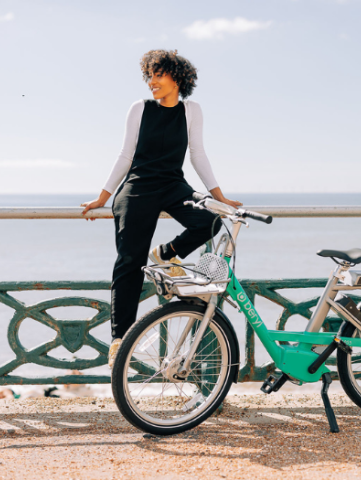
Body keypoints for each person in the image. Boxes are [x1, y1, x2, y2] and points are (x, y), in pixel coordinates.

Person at [80, 49, 241, 367]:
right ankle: (120, 340)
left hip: (173, 185)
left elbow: (198, 154)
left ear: (177, 78)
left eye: (158, 75)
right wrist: (103, 196)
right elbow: (125, 155)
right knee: (129, 261)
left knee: (209, 222)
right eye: (148, 76)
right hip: (138, 187)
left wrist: (219, 196)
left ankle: (165, 254)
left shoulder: (192, 110)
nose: (151, 81)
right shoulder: (139, 108)